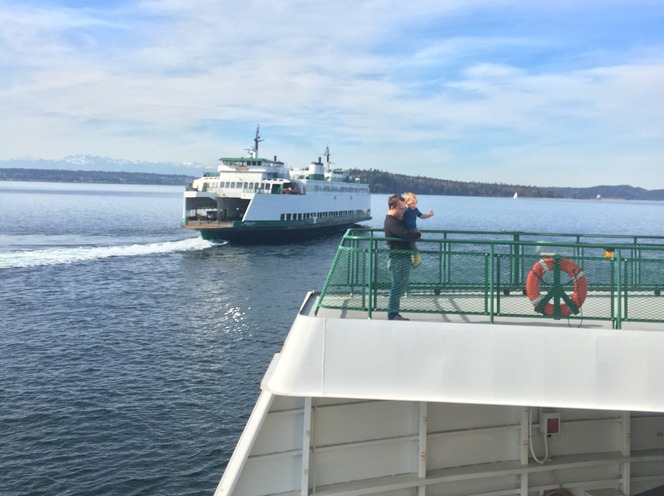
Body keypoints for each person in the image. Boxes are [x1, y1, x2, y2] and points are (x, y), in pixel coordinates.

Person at [384, 193, 421, 321]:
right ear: (392, 207)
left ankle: (394, 313)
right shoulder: (391, 221)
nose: (403, 211)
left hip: (401, 257)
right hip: (398, 258)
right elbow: (405, 234)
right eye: (400, 209)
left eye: (404, 208)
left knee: (400, 286)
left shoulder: (396, 220)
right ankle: (392, 314)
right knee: (397, 287)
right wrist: (417, 235)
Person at [402, 192, 434, 268]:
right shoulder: (404, 210)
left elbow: (421, 216)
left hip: (413, 229)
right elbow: (397, 217)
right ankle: (411, 258)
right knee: (407, 245)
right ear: (406, 202)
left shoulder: (415, 210)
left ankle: (417, 258)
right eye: (412, 203)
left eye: (415, 203)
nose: (414, 205)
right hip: (405, 230)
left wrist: (429, 215)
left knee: (412, 244)